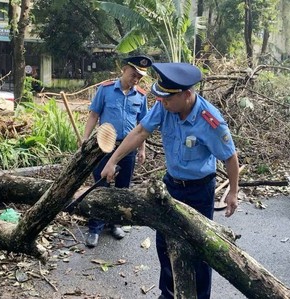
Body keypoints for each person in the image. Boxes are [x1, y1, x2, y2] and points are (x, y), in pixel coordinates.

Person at [99, 62, 240, 299]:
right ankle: (169, 292)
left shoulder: (210, 120)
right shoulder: (166, 107)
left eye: (167, 99)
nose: (162, 102)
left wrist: (233, 192)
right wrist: (113, 160)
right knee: (165, 242)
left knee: (199, 248)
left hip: (199, 191)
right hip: (171, 186)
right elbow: (140, 132)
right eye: (161, 98)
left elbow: (230, 158)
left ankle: (199, 296)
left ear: (186, 95)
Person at [82, 55, 152, 248]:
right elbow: (94, 114)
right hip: (104, 145)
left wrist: (142, 149)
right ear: (124, 69)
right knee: (100, 186)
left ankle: (116, 223)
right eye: (133, 74)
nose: (135, 79)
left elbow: (142, 125)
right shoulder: (105, 90)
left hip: (127, 148)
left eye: (139, 77)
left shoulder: (140, 95)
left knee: (123, 188)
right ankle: (95, 228)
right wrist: (85, 138)